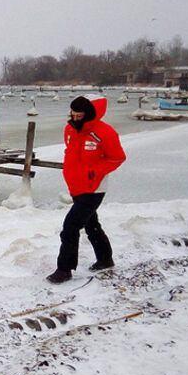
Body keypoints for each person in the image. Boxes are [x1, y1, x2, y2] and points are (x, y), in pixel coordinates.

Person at [47, 95, 126, 284]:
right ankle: (105, 259)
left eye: (79, 115)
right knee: (91, 225)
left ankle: (64, 269)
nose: (74, 118)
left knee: (70, 227)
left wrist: (94, 172)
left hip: (94, 188)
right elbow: (71, 152)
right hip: (76, 186)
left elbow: (117, 158)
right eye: (72, 114)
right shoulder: (69, 129)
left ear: (89, 114)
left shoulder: (105, 132)